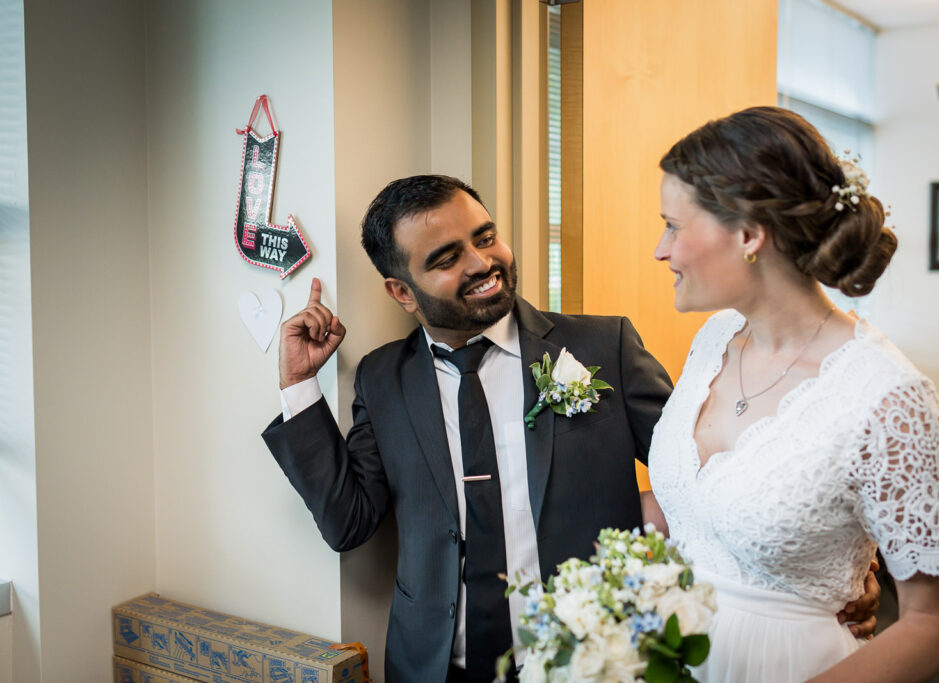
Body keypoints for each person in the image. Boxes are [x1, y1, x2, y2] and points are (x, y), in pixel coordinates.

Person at [262, 174, 880, 682]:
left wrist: (823, 575)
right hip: (431, 666)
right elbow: (348, 522)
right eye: (448, 258)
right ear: (402, 290)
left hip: (589, 658)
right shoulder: (382, 379)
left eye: (486, 237)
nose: (484, 263)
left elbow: (710, 480)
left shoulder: (602, 346)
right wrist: (298, 385)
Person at [645, 106, 939, 682]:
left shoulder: (886, 397)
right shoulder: (714, 339)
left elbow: (938, 623)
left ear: (747, 234)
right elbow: (692, 510)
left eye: (674, 225)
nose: (660, 250)